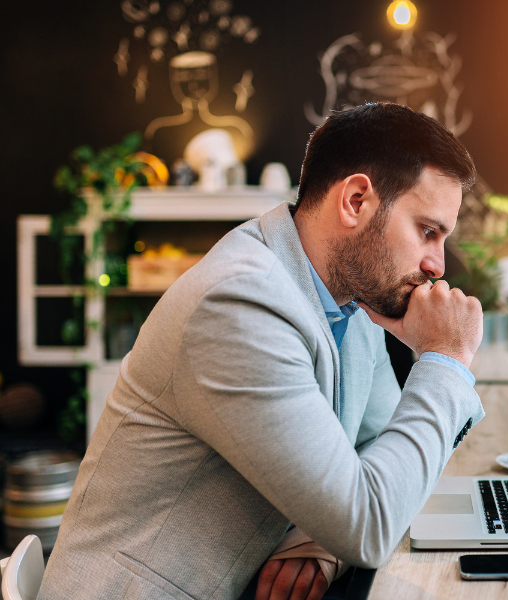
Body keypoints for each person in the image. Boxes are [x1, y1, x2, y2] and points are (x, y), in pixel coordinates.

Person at [38, 103, 485, 600]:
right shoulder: (239, 303)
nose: (436, 265)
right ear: (356, 200)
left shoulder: (350, 302)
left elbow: (376, 446)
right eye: (428, 231)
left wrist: (324, 541)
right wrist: (444, 360)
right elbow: (371, 523)